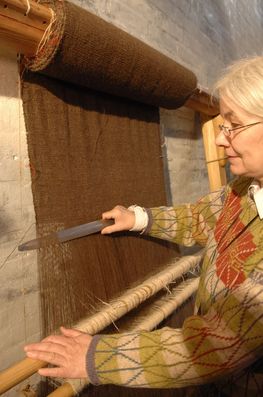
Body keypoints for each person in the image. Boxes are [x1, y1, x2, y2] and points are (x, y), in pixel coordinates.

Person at [24, 56, 263, 396]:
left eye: (233, 125)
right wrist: (138, 218)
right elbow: (199, 219)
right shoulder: (244, 189)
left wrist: (96, 356)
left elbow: (216, 347)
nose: (222, 140)